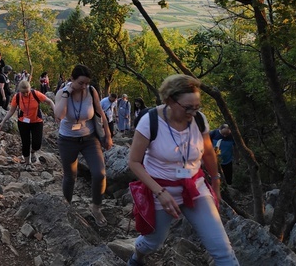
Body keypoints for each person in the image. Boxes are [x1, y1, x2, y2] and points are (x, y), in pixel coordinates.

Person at [126, 75, 239, 266]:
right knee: (153, 243)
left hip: (195, 188)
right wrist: (160, 193)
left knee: (223, 250)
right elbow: (134, 162)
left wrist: (216, 181)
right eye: (188, 107)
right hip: (161, 190)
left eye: (197, 107)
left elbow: (209, 153)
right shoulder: (150, 121)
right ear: (170, 100)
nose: (193, 112)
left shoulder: (199, 120)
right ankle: (137, 257)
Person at [54, 64, 113, 227]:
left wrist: (107, 135)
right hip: (67, 139)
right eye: (81, 83)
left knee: (100, 173)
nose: (84, 86)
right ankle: (67, 205)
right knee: (70, 176)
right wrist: (67, 93)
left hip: (89, 138)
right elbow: (59, 115)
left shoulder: (91, 91)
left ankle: (96, 207)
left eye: (87, 83)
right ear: (72, 79)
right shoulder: (62, 93)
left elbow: (101, 113)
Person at [0, 80, 56, 167]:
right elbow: (11, 111)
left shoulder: (36, 94)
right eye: (23, 92)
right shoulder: (17, 97)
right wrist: (3, 121)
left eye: (27, 92)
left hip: (37, 122)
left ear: (30, 89)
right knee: (25, 143)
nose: (25, 94)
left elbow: (50, 101)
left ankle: (33, 152)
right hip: (23, 122)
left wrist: (56, 112)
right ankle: (27, 163)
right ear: (20, 91)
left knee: (37, 143)